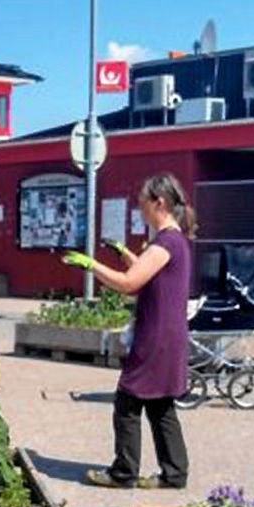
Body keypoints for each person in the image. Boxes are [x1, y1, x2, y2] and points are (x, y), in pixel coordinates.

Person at [63, 173, 195, 489]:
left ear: (159, 203)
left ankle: (124, 472)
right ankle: (174, 473)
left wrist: (91, 265)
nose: (140, 209)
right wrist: (124, 253)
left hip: (157, 337)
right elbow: (147, 274)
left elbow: (129, 283)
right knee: (160, 405)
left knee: (128, 401)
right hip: (168, 335)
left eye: (142, 203)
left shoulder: (166, 242)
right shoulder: (174, 242)